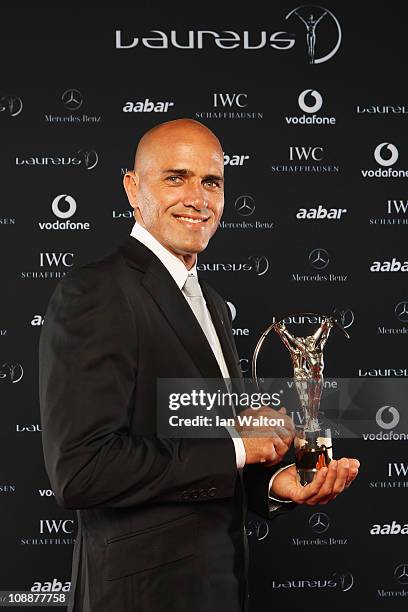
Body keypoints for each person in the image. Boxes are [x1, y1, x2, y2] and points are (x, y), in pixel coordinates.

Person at [39, 118, 359, 612]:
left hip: (218, 589)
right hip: (137, 598)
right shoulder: (98, 291)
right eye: (175, 178)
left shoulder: (208, 301)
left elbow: (207, 446)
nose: (197, 197)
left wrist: (274, 482)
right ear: (132, 188)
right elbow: (82, 470)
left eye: (211, 181)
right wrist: (237, 447)